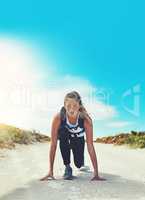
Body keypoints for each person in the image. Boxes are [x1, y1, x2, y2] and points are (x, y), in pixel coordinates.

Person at [40, 91, 105, 181]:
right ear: (64, 106)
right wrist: (50, 171)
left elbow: (90, 145)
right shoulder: (58, 118)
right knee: (63, 133)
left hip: (78, 139)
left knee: (78, 164)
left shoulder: (86, 120)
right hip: (65, 137)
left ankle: (81, 163)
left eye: (75, 106)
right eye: (68, 106)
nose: (71, 109)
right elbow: (53, 144)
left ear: (79, 106)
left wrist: (96, 173)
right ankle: (67, 167)